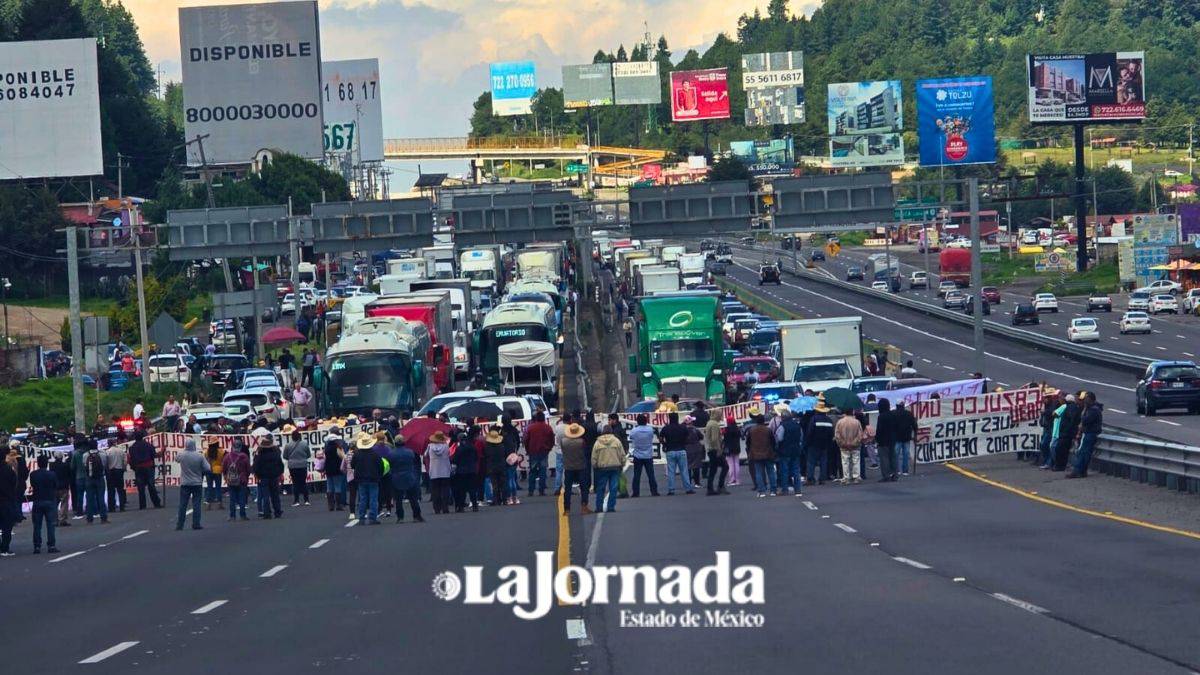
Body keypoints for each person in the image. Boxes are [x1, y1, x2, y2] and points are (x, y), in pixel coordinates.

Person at [388, 435, 424, 522]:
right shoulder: (410, 452)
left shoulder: (391, 454)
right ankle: (416, 516)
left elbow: (390, 465)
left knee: (398, 499)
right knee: (413, 498)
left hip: (396, 477)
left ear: (395, 443)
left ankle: (400, 517)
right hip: (409, 476)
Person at [350, 432, 384, 524]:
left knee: (363, 498)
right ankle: (373, 517)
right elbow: (381, 466)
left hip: (361, 478)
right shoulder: (375, 454)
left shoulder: (357, 454)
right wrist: (379, 475)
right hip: (373, 478)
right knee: (373, 498)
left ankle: (361, 517)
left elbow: (352, 465)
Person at [29, 455, 59, 554]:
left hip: (37, 500)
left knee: (37, 525)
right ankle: (51, 545)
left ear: (38, 463)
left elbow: (33, 485)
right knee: (50, 524)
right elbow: (55, 486)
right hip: (49, 500)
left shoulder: (33, 474)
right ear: (47, 463)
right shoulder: (52, 474)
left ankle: (37, 546)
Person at [592, 428, 627, 513]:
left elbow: (594, 457)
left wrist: (595, 466)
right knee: (613, 488)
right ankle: (611, 507)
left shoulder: (597, 442)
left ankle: (599, 507)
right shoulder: (616, 441)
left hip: (602, 468)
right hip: (615, 467)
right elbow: (622, 454)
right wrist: (622, 463)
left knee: (601, 488)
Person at [1068, 392, 1103, 478]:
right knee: (1083, 452)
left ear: (1091, 399)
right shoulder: (1090, 408)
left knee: (1083, 453)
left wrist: (1083, 414)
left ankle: (1078, 471)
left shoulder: (1094, 410)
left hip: (1091, 433)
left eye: (1087, 398)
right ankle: (1081, 471)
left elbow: (1086, 420)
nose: (1085, 400)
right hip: (1088, 433)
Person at [560, 423, 592, 514]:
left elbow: (563, 451)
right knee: (584, 487)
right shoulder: (582, 442)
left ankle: (567, 509)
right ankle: (584, 506)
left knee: (568, 488)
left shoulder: (563, 441)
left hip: (568, 467)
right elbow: (585, 453)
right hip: (581, 466)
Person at [658, 412, 693, 495]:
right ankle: (688, 489)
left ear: (669, 418)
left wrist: (664, 444)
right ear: (677, 418)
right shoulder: (682, 427)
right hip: (681, 450)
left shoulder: (666, 428)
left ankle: (671, 489)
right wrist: (684, 442)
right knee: (684, 471)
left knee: (671, 472)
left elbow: (660, 438)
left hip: (670, 450)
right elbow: (688, 437)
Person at [176, 439, 208, 531]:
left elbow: (176, 459)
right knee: (196, 504)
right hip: (197, 482)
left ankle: (180, 524)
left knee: (183, 504)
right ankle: (196, 523)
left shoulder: (182, 455)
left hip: (185, 483)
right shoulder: (199, 456)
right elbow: (207, 468)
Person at [252, 435, 285, 519]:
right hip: (274, 476)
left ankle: (267, 513)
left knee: (265, 495)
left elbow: (256, 467)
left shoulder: (259, 455)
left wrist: (257, 475)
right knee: (275, 495)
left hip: (263, 477)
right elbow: (280, 465)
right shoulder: (275, 454)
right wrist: (279, 473)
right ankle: (277, 512)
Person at [127, 431, 162, 509]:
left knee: (141, 487)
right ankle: (156, 503)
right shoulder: (148, 445)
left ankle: (142, 505)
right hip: (149, 467)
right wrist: (161, 452)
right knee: (151, 486)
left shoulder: (132, 448)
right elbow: (154, 455)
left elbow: (131, 459)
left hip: (138, 468)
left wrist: (134, 467)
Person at [523, 412, 554, 497]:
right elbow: (552, 439)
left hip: (533, 451)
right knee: (542, 471)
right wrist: (549, 448)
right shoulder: (548, 428)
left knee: (532, 471)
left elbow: (526, 440)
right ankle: (541, 490)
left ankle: (531, 490)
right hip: (544, 451)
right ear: (544, 418)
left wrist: (527, 450)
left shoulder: (530, 428)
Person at [804, 403, 837, 485]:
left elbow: (810, 432)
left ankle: (810, 479)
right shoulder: (829, 420)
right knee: (823, 461)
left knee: (811, 462)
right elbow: (831, 434)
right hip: (825, 444)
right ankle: (822, 479)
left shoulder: (814, 419)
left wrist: (807, 443)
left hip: (813, 444)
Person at [745, 414, 777, 497]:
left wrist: (750, 451)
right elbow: (773, 442)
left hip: (756, 454)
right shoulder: (768, 430)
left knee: (758, 472)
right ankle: (773, 490)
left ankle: (761, 491)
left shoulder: (751, 430)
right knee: (771, 472)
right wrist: (773, 451)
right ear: (764, 421)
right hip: (768, 453)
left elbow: (748, 443)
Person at [627, 414, 659, 497]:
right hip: (648, 455)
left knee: (637, 475)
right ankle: (654, 491)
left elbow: (631, 437)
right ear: (646, 421)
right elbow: (652, 437)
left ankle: (636, 492)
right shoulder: (650, 430)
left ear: (637, 421)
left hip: (638, 455)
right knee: (651, 474)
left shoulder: (634, 430)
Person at [775, 412, 804, 495]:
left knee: (784, 471)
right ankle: (798, 489)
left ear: (783, 418)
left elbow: (779, 439)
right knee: (796, 471)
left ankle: (785, 490)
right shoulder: (797, 425)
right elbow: (801, 437)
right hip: (796, 451)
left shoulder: (782, 426)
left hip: (784, 451)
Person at [221, 441, 251, 521]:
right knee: (242, 498)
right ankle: (242, 515)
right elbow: (248, 469)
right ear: (240, 447)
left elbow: (223, 468)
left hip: (231, 480)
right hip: (242, 479)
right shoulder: (244, 456)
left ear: (232, 446)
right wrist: (246, 476)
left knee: (232, 498)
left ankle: (232, 516)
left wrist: (226, 476)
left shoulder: (227, 456)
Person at [450, 430, 479, 512]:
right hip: (472, 470)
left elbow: (455, 459)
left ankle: (461, 507)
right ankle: (475, 506)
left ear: (459, 439)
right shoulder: (473, 447)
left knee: (462, 490)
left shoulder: (459, 449)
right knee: (472, 489)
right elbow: (476, 457)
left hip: (462, 471)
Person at [320, 428, 348, 511]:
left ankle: (330, 505)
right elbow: (343, 457)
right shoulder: (338, 447)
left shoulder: (326, 447)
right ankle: (338, 505)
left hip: (328, 468)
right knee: (337, 486)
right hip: (337, 468)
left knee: (329, 486)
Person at [1053, 394, 1082, 472]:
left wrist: (1066, 430)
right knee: (1063, 450)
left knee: (1060, 449)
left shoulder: (1070, 408)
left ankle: (1060, 466)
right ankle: (1061, 465)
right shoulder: (1073, 407)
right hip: (1067, 433)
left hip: (1066, 433)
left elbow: (1071, 420)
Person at [834, 410, 864, 485]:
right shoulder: (857, 422)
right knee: (856, 460)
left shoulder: (840, 422)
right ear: (852, 412)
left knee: (845, 462)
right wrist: (855, 442)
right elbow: (860, 435)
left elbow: (837, 435)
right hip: (855, 445)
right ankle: (856, 477)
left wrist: (842, 443)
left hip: (844, 446)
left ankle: (846, 478)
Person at [82, 441, 109, 524]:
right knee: (101, 498)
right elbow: (104, 465)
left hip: (89, 479)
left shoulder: (85, 455)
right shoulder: (102, 454)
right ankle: (103, 518)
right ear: (97, 446)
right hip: (100, 477)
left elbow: (84, 465)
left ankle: (89, 519)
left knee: (89, 499)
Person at [426, 431, 452, 514]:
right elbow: (449, 454)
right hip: (445, 470)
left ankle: (436, 508)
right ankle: (445, 507)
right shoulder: (446, 446)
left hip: (434, 471)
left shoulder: (430, 446)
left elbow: (425, 455)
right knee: (445, 490)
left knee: (435, 490)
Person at [283, 430, 311, 506]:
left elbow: (285, 456)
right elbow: (308, 455)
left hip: (293, 466)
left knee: (295, 483)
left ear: (292, 437)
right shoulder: (304, 444)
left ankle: (296, 501)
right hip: (303, 465)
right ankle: (306, 500)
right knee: (303, 482)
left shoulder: (288, 445)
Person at [484, 429, 510, 507]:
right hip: (502, 466)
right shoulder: (502, 446)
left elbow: (486, 456)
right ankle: (504, 500)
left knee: (495, 484)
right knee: (503, 483)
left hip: (492, 466)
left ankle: (496, 500)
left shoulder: (487, 447)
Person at [873, 399, 898, 482]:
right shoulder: (893, 414)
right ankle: (894, 474)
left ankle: (886, 475)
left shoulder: (881, 416)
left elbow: (879, 429)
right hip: (892, 439)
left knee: (884, 459)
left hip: (883, 440)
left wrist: (877, 439)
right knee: (893, 457)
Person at [703, 414, 728, 495]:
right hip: (714, 449)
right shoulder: (714, 424)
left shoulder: (709, 423)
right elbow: (714, 438)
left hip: (710, 449)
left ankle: (710, 488)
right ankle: (720, 486)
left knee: (713, 469)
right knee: (725, 466)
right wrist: (719, 449)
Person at [0, 450, 18, 556]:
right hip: (7, 501)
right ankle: (5, 548)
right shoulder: (8, 470)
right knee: (7, 526)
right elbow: (14, 483)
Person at [892, 401, 918, 476]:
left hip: (896, 437)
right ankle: (905, 470)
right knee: (905, 454)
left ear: (896, 405)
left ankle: (897, 470)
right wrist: (915, 434)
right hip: (907, 436)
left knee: (896, 454)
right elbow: (914, 424)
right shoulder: (909, 413)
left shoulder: (893, 413)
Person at [105, 440, 127, 512]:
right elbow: (125, 461)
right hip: (119, 470)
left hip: (111, 471)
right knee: (120, 489)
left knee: (111, 490)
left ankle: (111, 508)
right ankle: (122, 506)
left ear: (109, 444)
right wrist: (123, 468)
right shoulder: (121, 451)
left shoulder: (107, 452)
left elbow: (106, 463)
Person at [203, 438, 226, 510]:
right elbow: (223, 460)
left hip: (209, 470)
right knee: (218, 488)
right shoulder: (221, 451)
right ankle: (219, 504)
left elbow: (205, 460)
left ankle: (208, 504)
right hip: (218, 470)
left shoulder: (207, 452)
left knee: (209, 487)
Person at [684, 417, 705, 488]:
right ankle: (697, 483)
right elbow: (701, 437)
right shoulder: (695, 429)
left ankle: (688, 482)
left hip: (687, 449)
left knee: (688, 466)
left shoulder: (683, 430)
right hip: (696, 448)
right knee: (696, 466)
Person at [723, 415, 742, 486]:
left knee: (730, 464)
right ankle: (737, 480)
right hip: (737, 447)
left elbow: (725, 439)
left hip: (729, 448)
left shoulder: (727, 429)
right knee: (736, 463)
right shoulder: (737, 428)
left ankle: (732, 479)